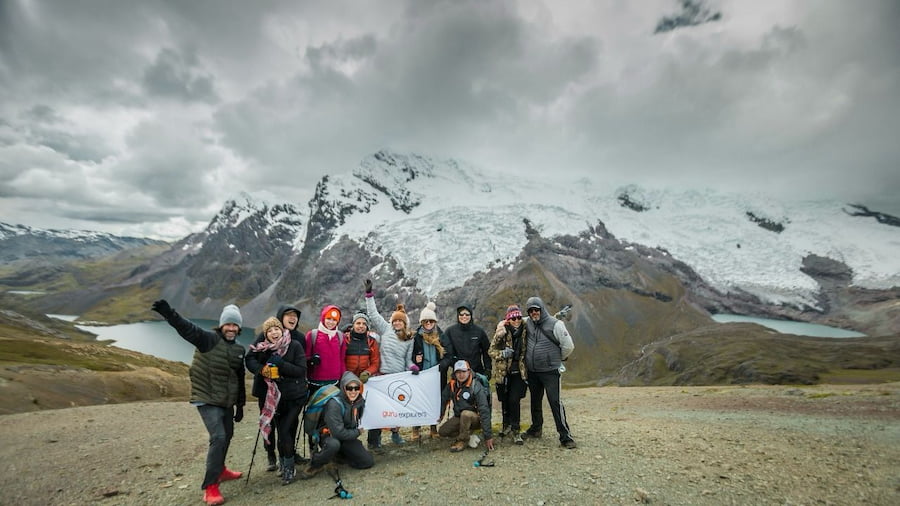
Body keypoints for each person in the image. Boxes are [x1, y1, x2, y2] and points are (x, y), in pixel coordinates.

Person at [151, 300, 246, 506]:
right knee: (218, 437)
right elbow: (187, 328)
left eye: (235, 325)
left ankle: (220, 470)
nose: (231, 328)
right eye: (228, 324)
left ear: (239, 327)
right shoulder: (207, 339)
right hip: (206, 398)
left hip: (226, 401)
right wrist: (169, 313)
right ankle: (210, 487)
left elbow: (239, 378)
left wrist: (240, 405)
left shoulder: (239, 349)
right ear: (221, 325)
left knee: (228, 435)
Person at [245, 317, 308, 484]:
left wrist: (281, 364)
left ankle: (289, 467)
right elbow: (249, 360)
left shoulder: (294, 345)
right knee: (281, 432)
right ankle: (284, 463)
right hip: (276, 399)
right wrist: (262, 370)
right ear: (265, 334)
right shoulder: (263, 349)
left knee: (285, 430)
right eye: (270, 330)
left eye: (276, 329)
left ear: (282, 330)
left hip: (295, 397)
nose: (274, 333)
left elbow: (301, 370)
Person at [364, 278, 414, 447]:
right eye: (395, 320)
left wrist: (413, 367)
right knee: (378, 408)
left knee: (396, 407)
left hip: (398, 377)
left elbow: (408, 360)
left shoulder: (409, 339)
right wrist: (369, 295)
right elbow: (373, 314)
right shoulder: (385, 329)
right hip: (382, 376)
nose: (397, 322)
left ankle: (395, 434)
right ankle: (374, 440)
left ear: (405, 323)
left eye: (400, 320)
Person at [522, 296, 577, 449]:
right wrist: (503, 323)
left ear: (542, 309)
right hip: (533, 371)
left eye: (536, 309)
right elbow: (514, 320)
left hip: (550, 371)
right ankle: (536, 429)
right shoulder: (528, 322)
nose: (534, 312)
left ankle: (565, 436)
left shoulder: (556, 324)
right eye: (531, 310)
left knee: (555, 401)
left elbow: (568, 346)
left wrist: (558, 358)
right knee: (535, 401)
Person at [299, 371, 374, 479]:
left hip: (346, 435)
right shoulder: (334, 404)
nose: (353, 391)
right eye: (349, 388)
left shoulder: (359, 401)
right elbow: (338, 433)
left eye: (356, 388)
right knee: (333, 444)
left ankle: (338, 456)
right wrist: (357, 432)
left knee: (367, 462)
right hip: (329, 436)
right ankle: (315, 464)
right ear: (343, 387)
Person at [342, 311, 383, 449]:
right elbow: (340, 359)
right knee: (348, 413)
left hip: (366, 382)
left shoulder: (371, 341)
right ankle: (349, 443)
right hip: (348, 382)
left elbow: (376, 362)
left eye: (364, 324)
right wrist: (347, 376)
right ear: (353, 325)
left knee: (373, 409)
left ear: (367, 326)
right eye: (358, 323)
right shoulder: (345, 339)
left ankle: (374, 441)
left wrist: (368, 372)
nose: (361, 326)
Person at [489, 304, 528, 445]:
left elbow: (540, 319)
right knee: (504, 400)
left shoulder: (527, 329)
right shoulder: (502, 332)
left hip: (519, 372)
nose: (516, 321)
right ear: (508, 319)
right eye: (513, 318)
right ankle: (506, 425)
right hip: (504, 373)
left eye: (518, 317)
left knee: (514, 400)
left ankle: (516, 430)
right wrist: (503, 354)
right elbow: (491, 351)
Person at [438, 360, 494, 452]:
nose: (461, 375)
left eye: (463, 371)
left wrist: (488, 436)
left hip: (476, 418)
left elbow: (484, 410)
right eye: (458, 372)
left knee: (466, 414)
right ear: (455, 374)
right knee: (443, 431)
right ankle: (468, 436)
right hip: (459, 417)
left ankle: (462, 441)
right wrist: (440, 415)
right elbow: (444, 400)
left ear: (468, 371)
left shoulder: (476, 385)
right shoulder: (452, 384)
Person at [410, 301, 445, 441]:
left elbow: (446, 353)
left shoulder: (440, 335)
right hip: (421, 374)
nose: (429, 323)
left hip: (436, 374)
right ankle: (416, 429)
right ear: (422, 322)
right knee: (418, 401)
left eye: (431, 321)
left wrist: (442, 365)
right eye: (426, 321)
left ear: (434, 322)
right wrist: (415, 360)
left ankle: (433, 427)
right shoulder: (416, 337)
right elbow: (409, 355)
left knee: (434, 402)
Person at [442, 304, 491, 379]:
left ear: (471, 315)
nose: (464, 317)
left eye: (467, 314)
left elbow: (486, 351)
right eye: (461, 314)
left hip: (477, 372)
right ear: (458, 315)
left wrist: (488, 369)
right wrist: (453, 363)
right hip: (458, 372)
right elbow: (446, 352)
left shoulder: (479, 331)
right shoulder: (450, 331)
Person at [306, 305, 346, 393]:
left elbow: (342, 360)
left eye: (334, 320)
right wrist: (311, 360)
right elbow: (306, 357)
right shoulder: (312, 335)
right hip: (315, 381)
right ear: (323, 318)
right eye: (328, 318)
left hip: (334, 381)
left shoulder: (340, 337)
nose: (331, 322)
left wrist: (343, 378)